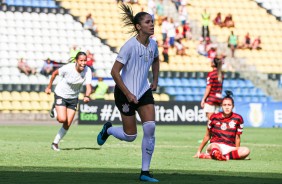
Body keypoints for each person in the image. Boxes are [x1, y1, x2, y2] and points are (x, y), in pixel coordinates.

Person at [96, 4, 160, 182]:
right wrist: (128, 94)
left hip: (144, 91)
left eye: (152, 21)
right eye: (148, 22)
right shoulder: (129, 46)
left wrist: (155, 80)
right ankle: (108, 130)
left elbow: (156, 60)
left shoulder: (153, 44)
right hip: (125, 93)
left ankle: (145, 172)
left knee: (150, 127)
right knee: (130, 136)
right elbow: (114, 72)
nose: (152, 24)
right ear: (139, 26)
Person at [45, 52, 92, 151]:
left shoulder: (88, 70)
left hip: (73, 98)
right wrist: (49, 87)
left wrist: (87, 95)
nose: (83, 63)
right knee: (62, 119)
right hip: (61, 94)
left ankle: (55, 143)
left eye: (85, 60)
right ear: (76, 61)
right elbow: (54, 74)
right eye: (81, 61)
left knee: (68, 123)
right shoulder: (68, 68)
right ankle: (54, 109)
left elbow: (88, 86)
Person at [194, 90, 251, 161]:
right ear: (221, 106)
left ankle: (217, 156)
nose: (227, 107)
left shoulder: (238, 118)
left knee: (246, 150)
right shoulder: (213, 117)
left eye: (229, 105)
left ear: (233, 106)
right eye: (224, 105)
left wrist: (238, 152)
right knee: (214, 146)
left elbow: (237, 138)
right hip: (215, 145)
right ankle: (219, 155)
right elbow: (207, 136)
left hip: (230, 148)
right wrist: (199, 151)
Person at [201, 55, 224, 121]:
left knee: (211, 121)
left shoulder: (211, 74)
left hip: (211, 98)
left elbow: (208, 87)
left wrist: (204, 99)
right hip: (219, 98)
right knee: (216, 120)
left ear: (213, 64)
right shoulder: (221, 74)